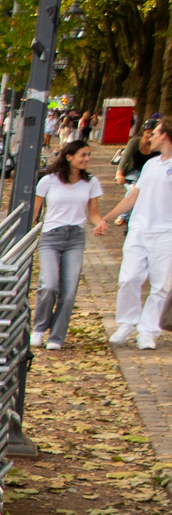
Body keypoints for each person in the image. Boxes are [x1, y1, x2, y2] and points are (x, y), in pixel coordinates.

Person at [31, 139, 106, 350]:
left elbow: (93, 213)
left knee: (69, 289)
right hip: (51, 236)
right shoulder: (48, 181)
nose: (87, 159)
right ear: (69, 156)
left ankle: (56, 336)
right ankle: (38, 328)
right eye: (83, 155)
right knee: (48, 284)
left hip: (75, 236)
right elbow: (34, 212)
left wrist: (100, 223)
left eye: (88, 155)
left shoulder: (91, 182)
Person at [105, 116, 172, 349]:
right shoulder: (150, 164)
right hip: (139, 230)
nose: (149, 136)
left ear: (164, 136)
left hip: (166, 233)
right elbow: (133, 196)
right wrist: (106, 217)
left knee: (161, 284)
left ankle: (148, 330)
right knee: (129, 278)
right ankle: (127, 322)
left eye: (154, 133)